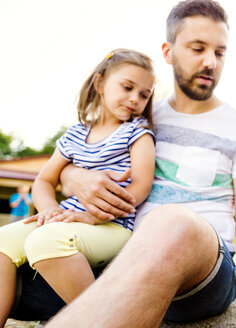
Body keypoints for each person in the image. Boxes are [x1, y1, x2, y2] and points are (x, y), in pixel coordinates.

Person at [44, 0, 236, 327]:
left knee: (174, 222)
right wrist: (72, 176)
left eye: (220, 52)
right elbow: (79, 157)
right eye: (197, 48)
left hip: (207, 273)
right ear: (169, 52)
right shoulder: (135, 118)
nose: (210, 62)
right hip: (125, 257)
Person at [0, 48, 156, 326]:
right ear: (99, 84)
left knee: (47, 241)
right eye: (127, 87)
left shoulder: (138, 133)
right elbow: (44, 180)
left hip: (113, 225)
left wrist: (94, 216)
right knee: (2, 242)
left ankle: (107, 322)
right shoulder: (74, 134)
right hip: (67, 219)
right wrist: (48, 209)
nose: (135, 98)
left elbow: (141, 187)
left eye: (144, 94)